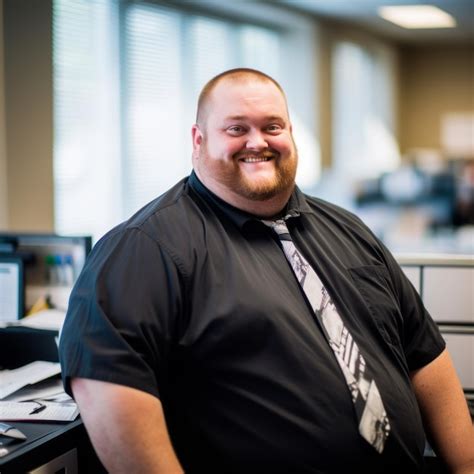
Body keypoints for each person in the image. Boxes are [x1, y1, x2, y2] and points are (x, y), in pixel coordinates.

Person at [59, 68, 474, 474]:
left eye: (272, 126)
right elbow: (108, 392)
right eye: (236, 129)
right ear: (198, 140)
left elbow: (424, 355)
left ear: (291, 134)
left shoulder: (348, 229)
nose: (258, 142)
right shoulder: (148, 248)